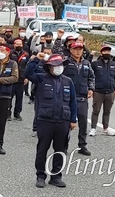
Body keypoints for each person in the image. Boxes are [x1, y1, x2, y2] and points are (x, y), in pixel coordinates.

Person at [24, 53, 77, 188]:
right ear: (49, 67)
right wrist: (36, 59)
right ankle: (40, 176)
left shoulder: (68, 81)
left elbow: (73, 102)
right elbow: (28, 73)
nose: (58, 68)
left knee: (60, 150)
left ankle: (56, 176)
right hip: (45, 120)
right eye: (55, 66)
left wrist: (73, 119)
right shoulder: (41, 78)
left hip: (63, 121)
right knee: (42, 149)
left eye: (60, 65)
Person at [62, 42, 95, 156]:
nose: (78, 51)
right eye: (75, 49)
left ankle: (82, 145)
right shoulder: (65, 62)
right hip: (68, 98)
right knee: (67, 123)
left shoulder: (86, 63)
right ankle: (63, 146)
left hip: (82, 98)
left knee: (83, 123)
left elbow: (91, 77)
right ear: (71, 50)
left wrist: (91, 88)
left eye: (80, 49)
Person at [90, 45, 115, 136]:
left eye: (108, 51)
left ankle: (105, 128)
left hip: (110, 92)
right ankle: (93, 128)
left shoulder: (114, 65)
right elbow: (90, 76)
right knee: (96, 110)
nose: (107, 53)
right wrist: (92, 89)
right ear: (101, 52)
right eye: (105, 51)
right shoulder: (95, 64)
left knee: (107, 111)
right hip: (98, 92)